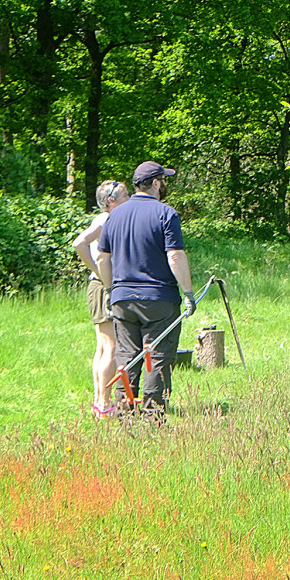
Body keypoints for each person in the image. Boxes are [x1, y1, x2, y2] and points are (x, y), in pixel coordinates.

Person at [97, 161, 195, 418]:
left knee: (127, 357)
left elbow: (103, 259)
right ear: (154, 183)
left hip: (122, 298)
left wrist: (109, 290)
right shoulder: (166, 213)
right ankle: (153, 418)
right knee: (157, 356)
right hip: (159, 299)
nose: (165, 186)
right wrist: (188, 294)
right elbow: (175, 256)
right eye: (163, 180)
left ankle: (125, 415)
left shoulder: (114, 215)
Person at [71, 179, 131, 416]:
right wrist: (101, 274)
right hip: (102, 287)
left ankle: (99, 402)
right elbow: (79, 243)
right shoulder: (106, 220)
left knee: (103, 347)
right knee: (112, 347)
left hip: (99, 287)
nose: (129, 199)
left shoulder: (106, 219)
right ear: (111, 201)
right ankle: (105, 405)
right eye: (125, 195)